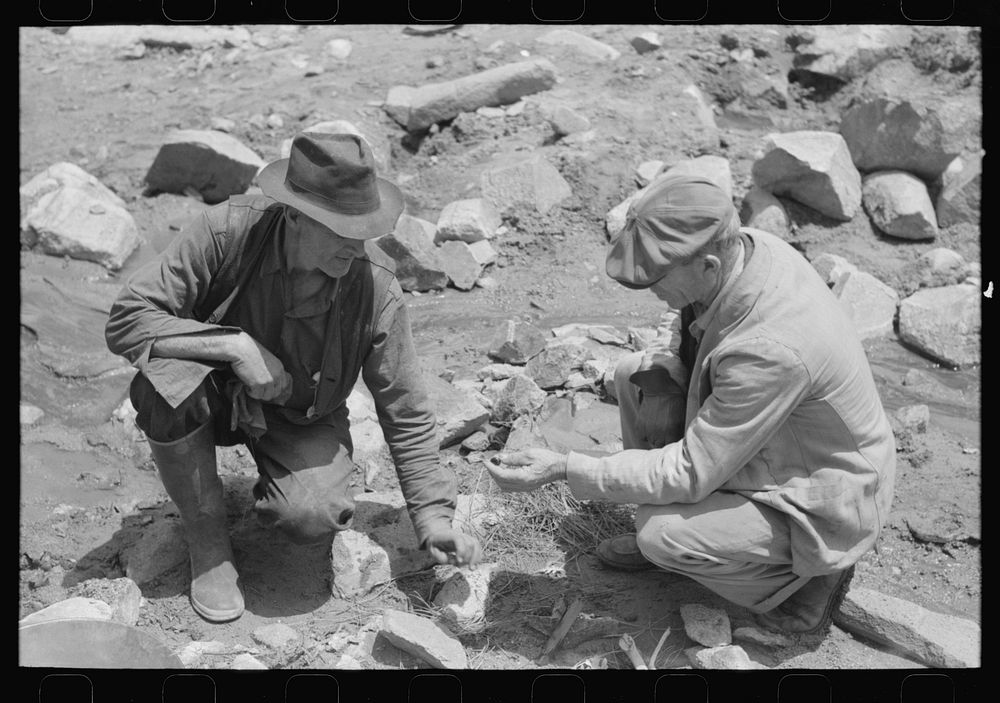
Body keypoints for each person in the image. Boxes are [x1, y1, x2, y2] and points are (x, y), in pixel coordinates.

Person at [488, 174, 896, 636]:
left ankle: (806, 582)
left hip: (819, 497)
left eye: (656, 279)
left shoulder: (769, 348)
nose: (650, 291)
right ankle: (708, 536)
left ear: (706, 265)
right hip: (770, 442)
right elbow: (696, 329)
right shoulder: (743, 248)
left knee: (660, 534)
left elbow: (689, 471)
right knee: (637, 378)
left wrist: (564, 467)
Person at [106, 132, 481, 623]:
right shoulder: (226, 232)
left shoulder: (375, 287)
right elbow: (126, 319)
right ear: (295, 215)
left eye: (362, 230)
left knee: (311, 515)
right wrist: (233, 344)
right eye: (340, 230)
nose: (355, 246)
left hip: (300, 416)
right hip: (210, 393)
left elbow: (405, 409)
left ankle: (267, 491)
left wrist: (433, 519)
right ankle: (208, 538)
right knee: (164, 378)